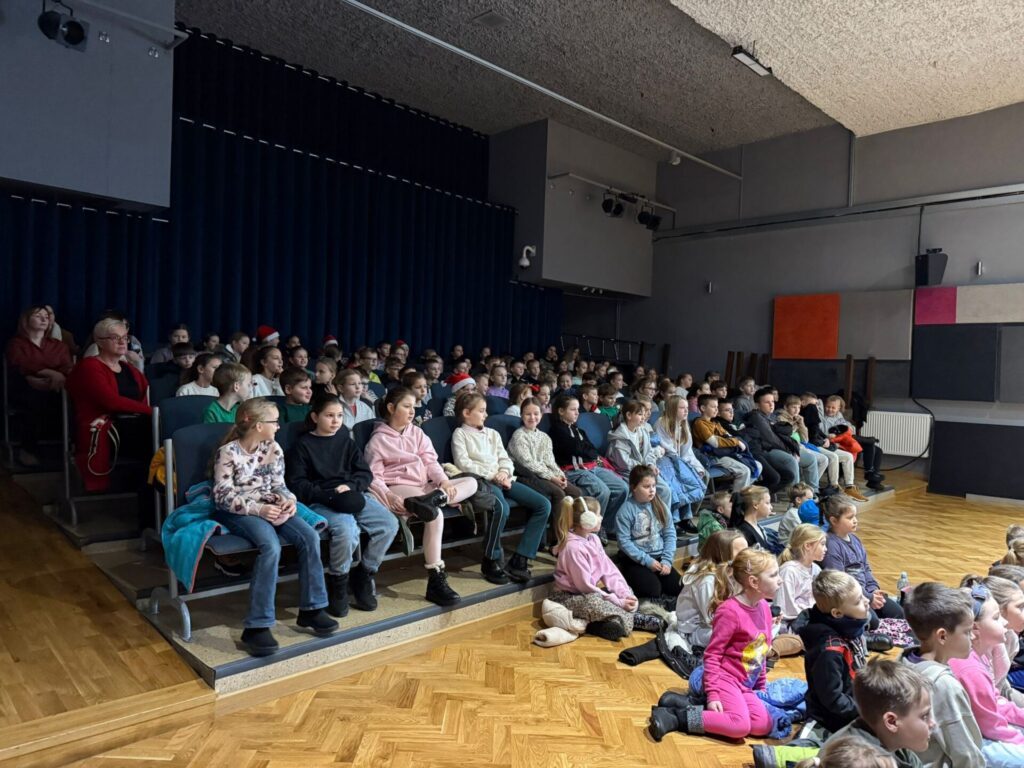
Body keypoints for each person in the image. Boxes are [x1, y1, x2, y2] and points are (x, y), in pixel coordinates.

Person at [211, 398, 336, 656]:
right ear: (258, 425)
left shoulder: (273, 448)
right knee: (270, 546)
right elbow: (222, 497)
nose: (279, 426)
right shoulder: (228, 452)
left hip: (269, 505)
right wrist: (259, 509)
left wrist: (288, 500)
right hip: (240, 510)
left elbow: (279, 485)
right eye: (274, 422)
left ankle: (312, 609)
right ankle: (256, 626)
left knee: (310, 537)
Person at [285, 394, 400, 618]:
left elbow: (364, 473)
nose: (335, 420)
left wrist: (350, 486)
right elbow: (298, 484)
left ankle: (364, 574)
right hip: (322, 499)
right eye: (329, 415)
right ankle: (338, 580)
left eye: (339, 415)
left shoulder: (346, 441)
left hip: (351, 494)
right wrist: (327, 495)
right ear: (315, 417)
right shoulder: (302, 446)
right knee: (347, 531)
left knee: (388, 524)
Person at [649, 549, 780, 741]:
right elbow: (712, 655)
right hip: (724, 679)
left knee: (762, 725)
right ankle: (676, 717)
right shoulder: (730, 611)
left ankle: (692, 705)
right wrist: (713, 694)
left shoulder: (764, 608)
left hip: (745, 684)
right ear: (754, 582)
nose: (780, 580)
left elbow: (760, 651)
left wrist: (760, 686)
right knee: (739, 726)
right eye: (774, 575)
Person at [365, 387, 478, 607]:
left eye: (413, 407)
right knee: (435, 516)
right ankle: (436, 578)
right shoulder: (378, 440)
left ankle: (435, 499)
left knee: (471, 482)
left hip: (425, 487)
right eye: (406, 406)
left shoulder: (417, 432)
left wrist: (443, 481)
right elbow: (373, 477)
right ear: (391, 408)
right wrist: (388, 495)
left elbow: (430, 462)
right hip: (400, 486)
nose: (411, 411)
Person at [451, 392, 551, 583]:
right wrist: (493, 476)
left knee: (543, 505)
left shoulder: (492, 434)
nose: (486, 415)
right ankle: (491, 558)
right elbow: (464, 464)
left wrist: (504, 472)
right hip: (483, 481)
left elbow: (504, 458)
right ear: (466, 413)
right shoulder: (460, 434)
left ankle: (520, 559)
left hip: (504, 478)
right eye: (481, 411)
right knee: (501, 508)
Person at [900, 582, 988, 767]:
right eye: (967, 631)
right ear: (942, 636)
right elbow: (966, 754)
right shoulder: (944, 685)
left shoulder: (903, 661)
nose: (973, 636)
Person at [65, 317, 151, 492]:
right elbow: (110, 401)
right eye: (115, 337)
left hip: (133, 423)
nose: (122, 342)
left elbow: (145, 395)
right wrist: (152, 411)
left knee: (163, 430)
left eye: (125, 337)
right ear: (99, 342)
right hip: (103, 424)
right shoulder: (89, 366)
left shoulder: (130, 369)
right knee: (158, 432)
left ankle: (158, 487)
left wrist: (152, 412)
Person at [949, 579, 1024, 762]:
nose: (1005, 622)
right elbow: (990, 724)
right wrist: (1020, 740)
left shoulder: (978, 655)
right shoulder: (970, 668)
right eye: (997, 617)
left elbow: (995, 699)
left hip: (983, 727)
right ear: (975, 628)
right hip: (969, 740)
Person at [549, 496, 638, 640]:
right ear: (587, 519)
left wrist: (624, 594)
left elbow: (609, 571)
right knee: (594, 602)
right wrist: (618, 602)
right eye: (598, 514)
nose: (601, 517)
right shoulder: (573, 548)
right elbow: (584, 586)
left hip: (589, 592)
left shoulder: (594, 539)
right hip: (569, 597)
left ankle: (616, 620)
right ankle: (630, 619)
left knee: (627, 591)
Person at [823, 660, 934, 768]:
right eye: (924, 716)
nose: (932, 723)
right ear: (891, 722)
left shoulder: (894, 742)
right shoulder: (858, 761)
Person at [798, 570, 870, 734]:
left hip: (856, 706)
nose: (866, 601)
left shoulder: (849, 628)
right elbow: (833, 700)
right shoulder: (829, 652)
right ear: (837, 613)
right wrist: (866, 711)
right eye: (859, 600)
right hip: (831, 721)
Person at [549, 394, 629, 539]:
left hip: (591, 466)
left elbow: (593, 451)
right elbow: (574, 449)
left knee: (622, 487)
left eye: (577, 409)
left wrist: (585, 449)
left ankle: (606, 526)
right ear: (561, 411)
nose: (577, 413)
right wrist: (584, 449)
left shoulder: (579, 431)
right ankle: (593, 531)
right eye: (573, 409)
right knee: (603, 491)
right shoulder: (557, 431)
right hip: (572, 470)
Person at [5, 305, 74, 466]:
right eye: (38, 316)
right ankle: (27, 450)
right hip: (24, 387)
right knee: (34, 397)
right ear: (26, 320)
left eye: (46, 317)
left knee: (75, 399)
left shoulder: (58, 345)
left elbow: (67, 366)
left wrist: (57, 376)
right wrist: (49, 372)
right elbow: (20, 363)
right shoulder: (16, 343)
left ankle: (73, 448)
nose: (44, 319)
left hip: (56, 387)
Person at [821, 495, 904, 628]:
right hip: (849, 599)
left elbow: (865, 567)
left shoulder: (855, 540)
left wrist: (873, 590)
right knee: (873, 622)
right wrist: (868, 598)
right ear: (834, 520)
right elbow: (840, 582)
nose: (855, 521)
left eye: (855, 516)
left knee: (898, 613)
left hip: (866, 593)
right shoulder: (831, 545)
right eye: (850, 518)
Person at [507, 398, 582, 527]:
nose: (532, 417)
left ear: (541, 415)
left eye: (536, 414)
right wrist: (552, 478)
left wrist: (560, 476)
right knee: (558, 493)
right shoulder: (519, 436)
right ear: (521, 415)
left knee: (576, 492)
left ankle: (571, 528)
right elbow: (528, 464)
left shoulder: (544, 437)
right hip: (527, 475)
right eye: (528, 414)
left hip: (544, 474)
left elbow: (550, 461)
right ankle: (558, 534)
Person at [613, 465, 680, 600]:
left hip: (659, 557)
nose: (652, 490)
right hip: (635, 560)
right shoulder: (625, 511)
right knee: (653, 591)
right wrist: (647, 561)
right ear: (634, 487)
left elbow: (670, 534)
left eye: (654, 486)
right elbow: (624, 542)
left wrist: (667, 560)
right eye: (646, 486)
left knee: (677, 587)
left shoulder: (660, 506)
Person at [675, 529, 747, 654]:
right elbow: (712, 619)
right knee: (741, 636)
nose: (748, 556)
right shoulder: (707, 581)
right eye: (741, 553)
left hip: (718, 622)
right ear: (723, 555)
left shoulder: (731, 572)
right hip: (695, 631)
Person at [606, 400, 673, 510]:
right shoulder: (620, 437)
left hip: (643, 470)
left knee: (665, 490)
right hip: (628, 473)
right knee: (649, 491)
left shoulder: (642, 431)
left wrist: (650, 464)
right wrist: (644, 468)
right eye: (640, 414)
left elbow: (649, 452)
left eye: (644, 414)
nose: (643, 417)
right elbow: (624, 463)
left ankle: (662, 519)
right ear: (628, 415)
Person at [655, 395, 708, 529]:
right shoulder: (662, 423)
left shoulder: (683, 425)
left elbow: (687, 452)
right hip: (663, 461)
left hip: (677, 461)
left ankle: (687, 517)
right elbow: (667, 448)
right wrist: (682, 466)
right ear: (673, 409)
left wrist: (697, 467)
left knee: (693, 477)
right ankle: (675, 519)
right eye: (682, 408)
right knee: (677, 483)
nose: (686, 411)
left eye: (687, 408)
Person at [744, 387, 808, 488]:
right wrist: (789, 450)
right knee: (790, 461)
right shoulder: (756, 417)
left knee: (812, 459)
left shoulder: (771, 416)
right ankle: (796, 494)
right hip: (764, 450)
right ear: (757, 405)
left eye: (772, 401)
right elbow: (771, 439)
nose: (771, 405)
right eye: (767, 402)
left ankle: (811, 491)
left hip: (774, 448)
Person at [821, 395, 886, 491]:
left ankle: (872, 477)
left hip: (845, 440)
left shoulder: (838, 415)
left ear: (839, 408)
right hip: (836, 442)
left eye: (833, 408)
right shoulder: (823, 417)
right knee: (868, 444)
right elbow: (826, 432)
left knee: (878, 450)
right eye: (828, 407)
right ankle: (870, 474)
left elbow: (846, 425)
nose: (830, 409)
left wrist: (849, 427)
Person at [692, 394, 755, 491]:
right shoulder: (700, 423)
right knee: (744, 471)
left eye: (717, 407)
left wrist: (733, 440)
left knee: (756, 465)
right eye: (713, 407)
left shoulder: (715, 423)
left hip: (723, 453)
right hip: (712, 456)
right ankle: (736, 498)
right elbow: (715, 443)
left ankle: (739, 492)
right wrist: (736, 442)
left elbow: (728, 436)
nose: (716, 409)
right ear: (703, 408)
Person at [777, 524, 827, 633]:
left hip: (811, 617)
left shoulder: (816, 569)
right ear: (808, 546)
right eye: (822, 544)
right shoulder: (789, 571)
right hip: (794, 623)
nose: (826, 549)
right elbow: (786, 609)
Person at [732, 485, 774, 552]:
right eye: (767, 503)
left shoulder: (756, 526)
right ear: (755, 505)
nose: (771, 507)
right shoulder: (745, 531)